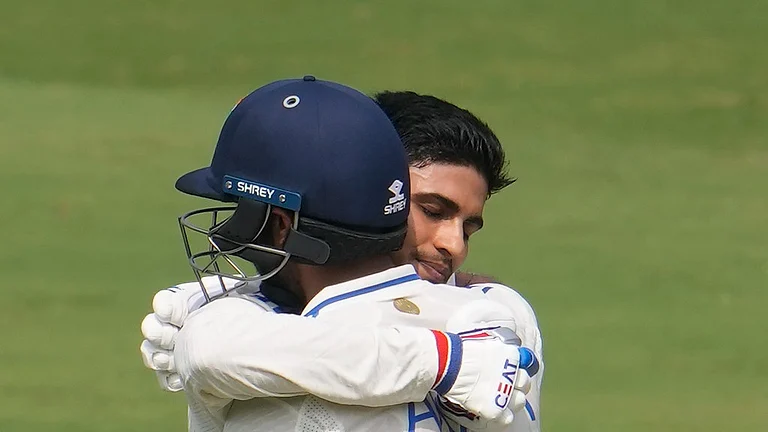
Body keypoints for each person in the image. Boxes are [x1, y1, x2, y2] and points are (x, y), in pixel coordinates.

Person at [141, 79, 543, 431]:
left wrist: (219, 310)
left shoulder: (257, 358)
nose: (454, 246)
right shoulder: (490, 316)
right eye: (432, 212)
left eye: (467, 227)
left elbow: (211, 351)